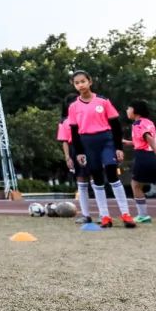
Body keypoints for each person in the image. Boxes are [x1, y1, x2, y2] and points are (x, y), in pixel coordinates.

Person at [67, 70, 135, 228]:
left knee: (112, 172)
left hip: (106, 140)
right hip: (87, 143)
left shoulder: (103, 101)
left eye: (83, 81)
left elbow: (116, 126)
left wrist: (118, 147)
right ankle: (105, 216)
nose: (80, 85)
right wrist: (79, 152)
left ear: (90, 82)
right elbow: (74, 131)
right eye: (77, 83)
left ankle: (126, 214)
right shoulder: (73, 107)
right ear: (74, 86)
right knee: (96, 177)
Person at [56, 94, 92, 224]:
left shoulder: (86, 115)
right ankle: (86, 214)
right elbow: (64, 141)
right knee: (81, 181)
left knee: (96, 179)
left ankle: (104, 214)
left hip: (89, 145)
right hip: (74, 149)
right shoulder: (64, 122)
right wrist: (67, 157)